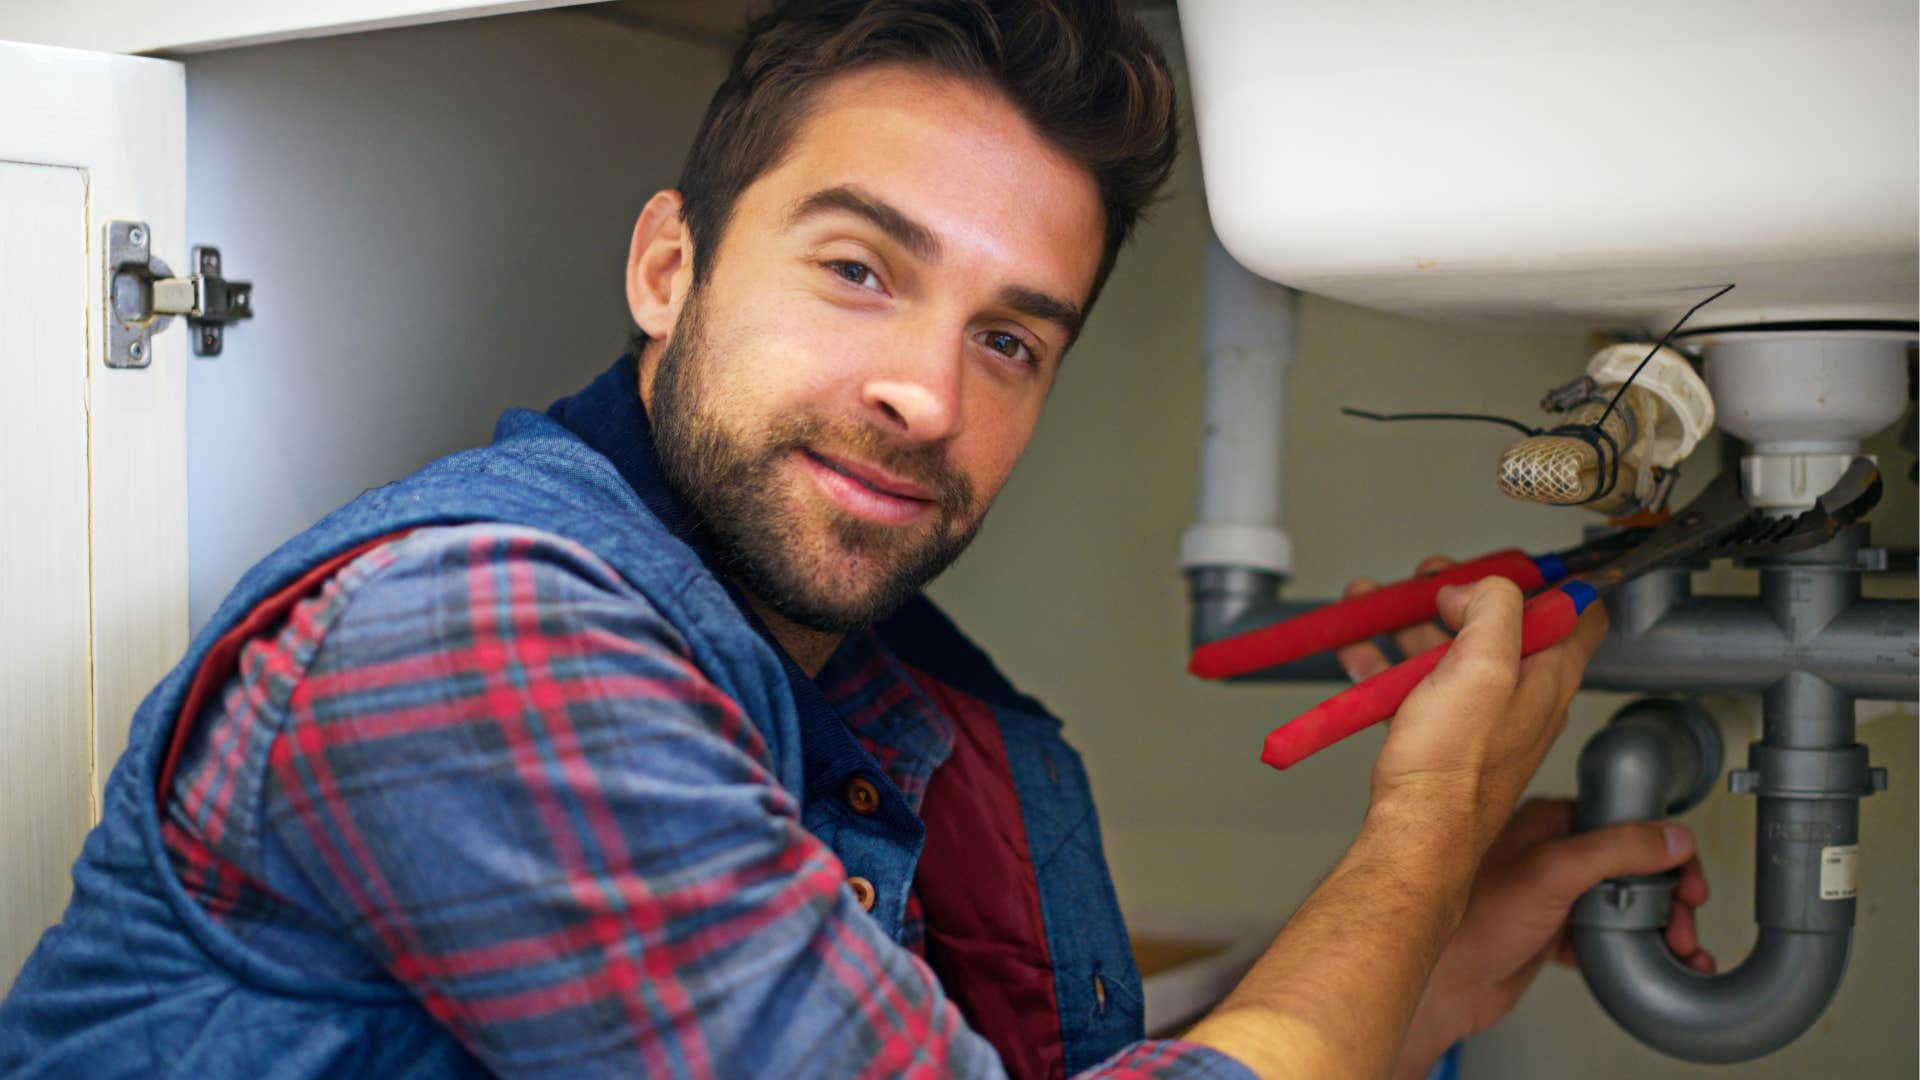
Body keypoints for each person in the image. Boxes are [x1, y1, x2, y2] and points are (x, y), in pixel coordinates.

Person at [0, 2, 1714, 1076]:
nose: (925, 393)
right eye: (859, 270)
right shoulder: (478, 635)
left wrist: (1414, 972)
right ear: (668, 267)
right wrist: (1422, 829)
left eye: (1010, 339)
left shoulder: (874, 695)